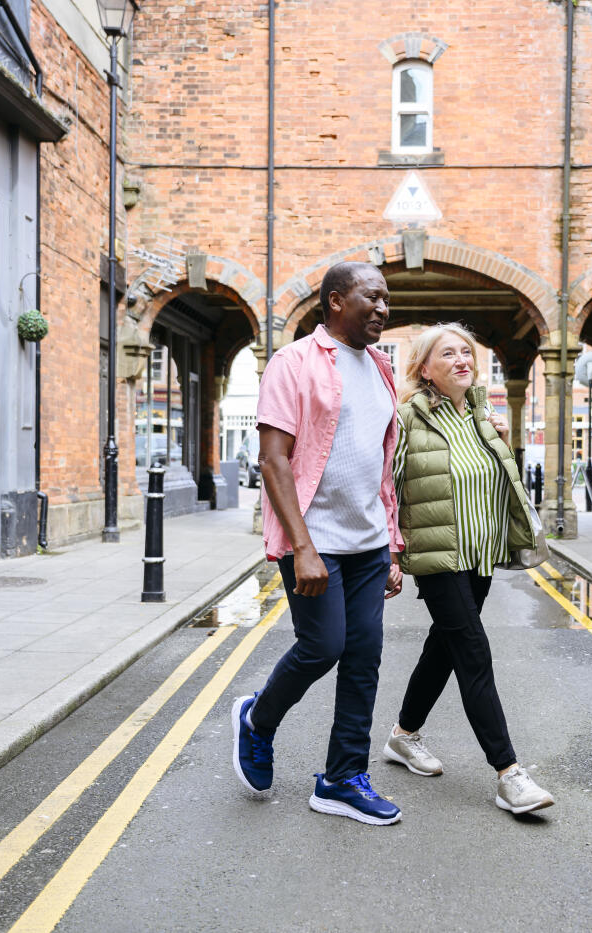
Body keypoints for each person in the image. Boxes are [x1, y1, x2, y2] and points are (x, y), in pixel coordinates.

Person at [231, 261, 406, 826]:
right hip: (316, 541)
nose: (383, 308)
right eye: (371, 298)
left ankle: (341, 778)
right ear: (335, 300)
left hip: (369, 544)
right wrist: (302, 547)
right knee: (323, 647)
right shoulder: (292, 363)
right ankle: (258, 721)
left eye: (386, 300)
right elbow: (273, 459)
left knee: (363, 660)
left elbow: (381, 470)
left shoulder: (382, 368)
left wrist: (393, 545)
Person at [382, 323, 556, 815]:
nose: (462, 360)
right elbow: (386, 490)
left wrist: (500, 441)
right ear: (424, 369)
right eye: (448, 354)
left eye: (467, 352)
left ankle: (402, 735)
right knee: (473, 653)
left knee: (445, 646)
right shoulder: (408, 420)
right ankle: (509, 775)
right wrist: (390, 555)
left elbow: (498, 484)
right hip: (440, 557)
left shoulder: (483, 415)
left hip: (480, 554)